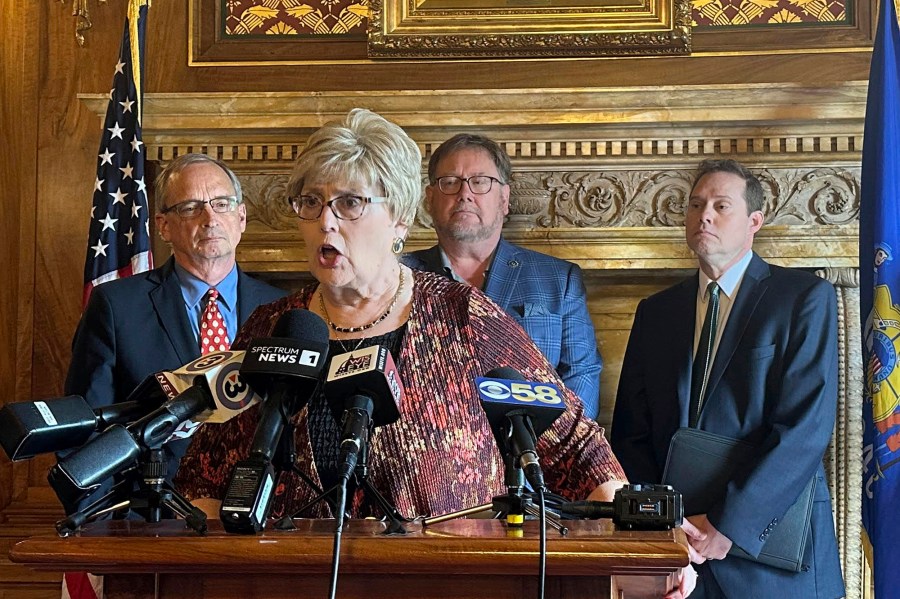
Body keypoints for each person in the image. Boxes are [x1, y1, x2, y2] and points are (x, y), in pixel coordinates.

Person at [175, 108, 626, 519]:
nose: (325, 222)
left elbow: (577, 449)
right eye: (311, 202)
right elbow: (204, 478)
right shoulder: (273, 327)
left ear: (399, 219)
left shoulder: (464, 317)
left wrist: (638, 545)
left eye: (350, 202)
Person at [611, 159, 844, 598]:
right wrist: (662, 526)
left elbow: (805, 428)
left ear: (754, 221)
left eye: (721, 205)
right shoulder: (656, 312)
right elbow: (630, 432)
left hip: (771, 560)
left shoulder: (803, 299)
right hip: (680, 557)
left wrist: (728, 524)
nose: (705, 216)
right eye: (696, 205)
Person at [65, 153, 287, 478]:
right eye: (191, 207)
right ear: (164, 226)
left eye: (222, 204)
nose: (210, 218)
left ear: (241, 218)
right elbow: (85, 427)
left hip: (258, 506)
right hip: (153, 515)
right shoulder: (116, 306)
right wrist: (107, 523)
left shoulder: (284, 309)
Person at [403, 134, 603, 420]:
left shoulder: (559, 280)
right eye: (450, 182)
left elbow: (581, 378)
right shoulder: (399, 277)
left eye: (480, 181)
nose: (465, 193)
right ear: (430, 199)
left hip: (534, 453)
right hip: (435, 454)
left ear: (504, 199)